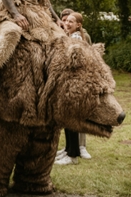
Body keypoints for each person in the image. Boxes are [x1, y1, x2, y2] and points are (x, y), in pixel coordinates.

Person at [55, 12, 89, 165]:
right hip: (68, 81)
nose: (68, 23)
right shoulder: (70, 35)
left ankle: (73, 155)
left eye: (71, 21)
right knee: (67, 118)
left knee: (71, 118)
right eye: (67, 21)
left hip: (72, 82)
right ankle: (68, 149)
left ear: (78, 25)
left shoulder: (75, 38)